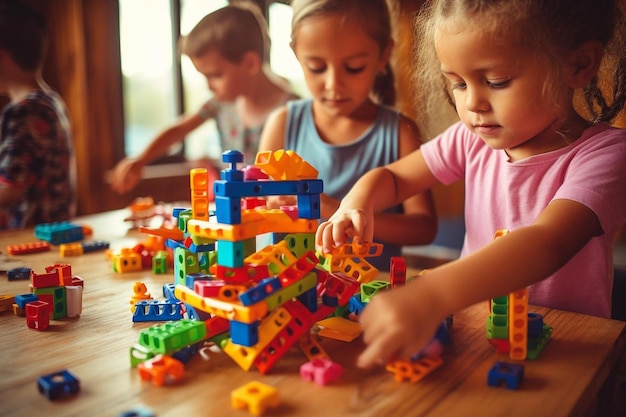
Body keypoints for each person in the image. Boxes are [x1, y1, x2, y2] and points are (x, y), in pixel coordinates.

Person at [316, 0, 626, 369]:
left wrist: (432, 294)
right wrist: (357, 201)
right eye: (458, 84)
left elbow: (547, 243)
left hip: (568, 349)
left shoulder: (607, 155)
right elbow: (395, 178)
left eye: (497, 82)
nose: (473, 103)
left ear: (578, 65)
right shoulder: (469, 138)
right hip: (477, 331)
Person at [258, 0, 437, 271]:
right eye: (317, 67)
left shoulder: (400, 132)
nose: (333, 84)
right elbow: (256, 209)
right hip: (296, 289)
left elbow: (423, 228)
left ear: (382, 56)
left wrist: (332, 208)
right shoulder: (281, 124)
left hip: (372, 293)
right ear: (297, 54)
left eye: (354, 67)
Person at [110, 2, 298, 195]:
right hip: (235, 209)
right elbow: (179, 129)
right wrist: (141, 160)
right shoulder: (220, 103)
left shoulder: (294, 110)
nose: (209, 86)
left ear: (250, 63)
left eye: (215, 75)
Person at [0, 0, 74, 229]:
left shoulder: (24, 111)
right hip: (51, 233)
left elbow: (11, 190)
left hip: (28, 241)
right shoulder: (52, 101)